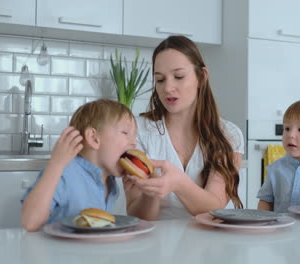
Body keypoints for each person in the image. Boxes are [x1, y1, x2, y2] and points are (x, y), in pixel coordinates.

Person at [124, 35, 244, 220]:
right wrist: (152, 191)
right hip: (153, 244)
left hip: (208, 244)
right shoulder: (136, 130)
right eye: (160, 80)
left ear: (202, 77)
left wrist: (177, 183)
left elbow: (214, 206)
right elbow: (137, 215)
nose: (168, 88)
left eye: (179, 77)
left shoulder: (229, 134)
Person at [21, 99, 137, 231]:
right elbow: (29, 222)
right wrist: (56, 165)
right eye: (126, 133)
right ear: (94, 138)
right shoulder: (65, 172)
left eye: (134, 136)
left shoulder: (110, 183)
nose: (134, 143)